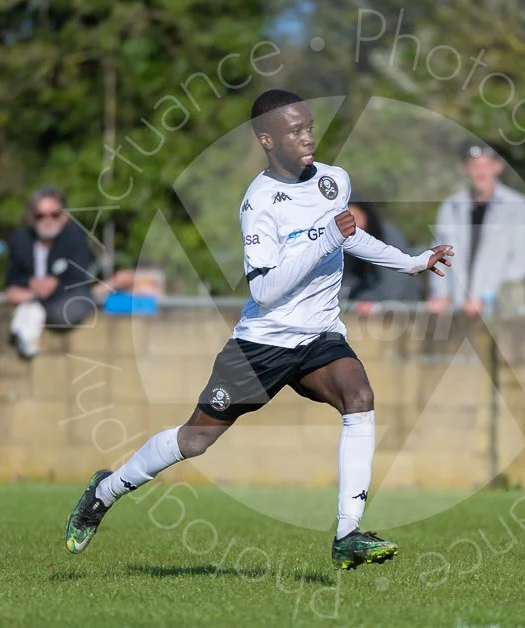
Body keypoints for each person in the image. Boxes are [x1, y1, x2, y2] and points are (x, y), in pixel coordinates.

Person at [63, 89, 454, 570]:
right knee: (195, 440)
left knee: (359, 397)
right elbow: (266, 290)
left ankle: (347, 533)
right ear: (267, 139)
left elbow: (349, 237)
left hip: (319, 336)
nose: (308, 137)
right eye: (295, 130)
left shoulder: (334, 180)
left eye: (310, 127)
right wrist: (325, 237)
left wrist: (412, 262)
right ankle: (105, 491)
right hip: (262, 343)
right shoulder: (260, 202)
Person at [427, 141, 525, 317]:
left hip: (498, 312)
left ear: (498, 167)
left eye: (487, 165)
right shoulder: (449, 207)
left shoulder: (517, 206)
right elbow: (437, 256)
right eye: (475, 166)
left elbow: (519, 265)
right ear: (464, 168)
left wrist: (485, 298)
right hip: (455, 310)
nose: (481, 172)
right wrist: (441, 295)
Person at [4, 186, 104, 359]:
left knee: (70, 306)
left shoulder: (74, 237)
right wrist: (30, 284)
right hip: (34, 301)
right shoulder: (20, 240)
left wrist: (46, 288)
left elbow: (78, 277)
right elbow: (13, 279)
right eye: (40, 215)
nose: (48, 220)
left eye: (54, 215)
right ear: (31, 217)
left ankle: (31, 317)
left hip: (64, 302)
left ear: (64, 216)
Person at [341, 199, 422, 314]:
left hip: (401, 308)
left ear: (366, 214)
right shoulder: (345, 240)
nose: (354, 225)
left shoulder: (389, 236)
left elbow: (394, 282)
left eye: (356, 218)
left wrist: (368, 300)